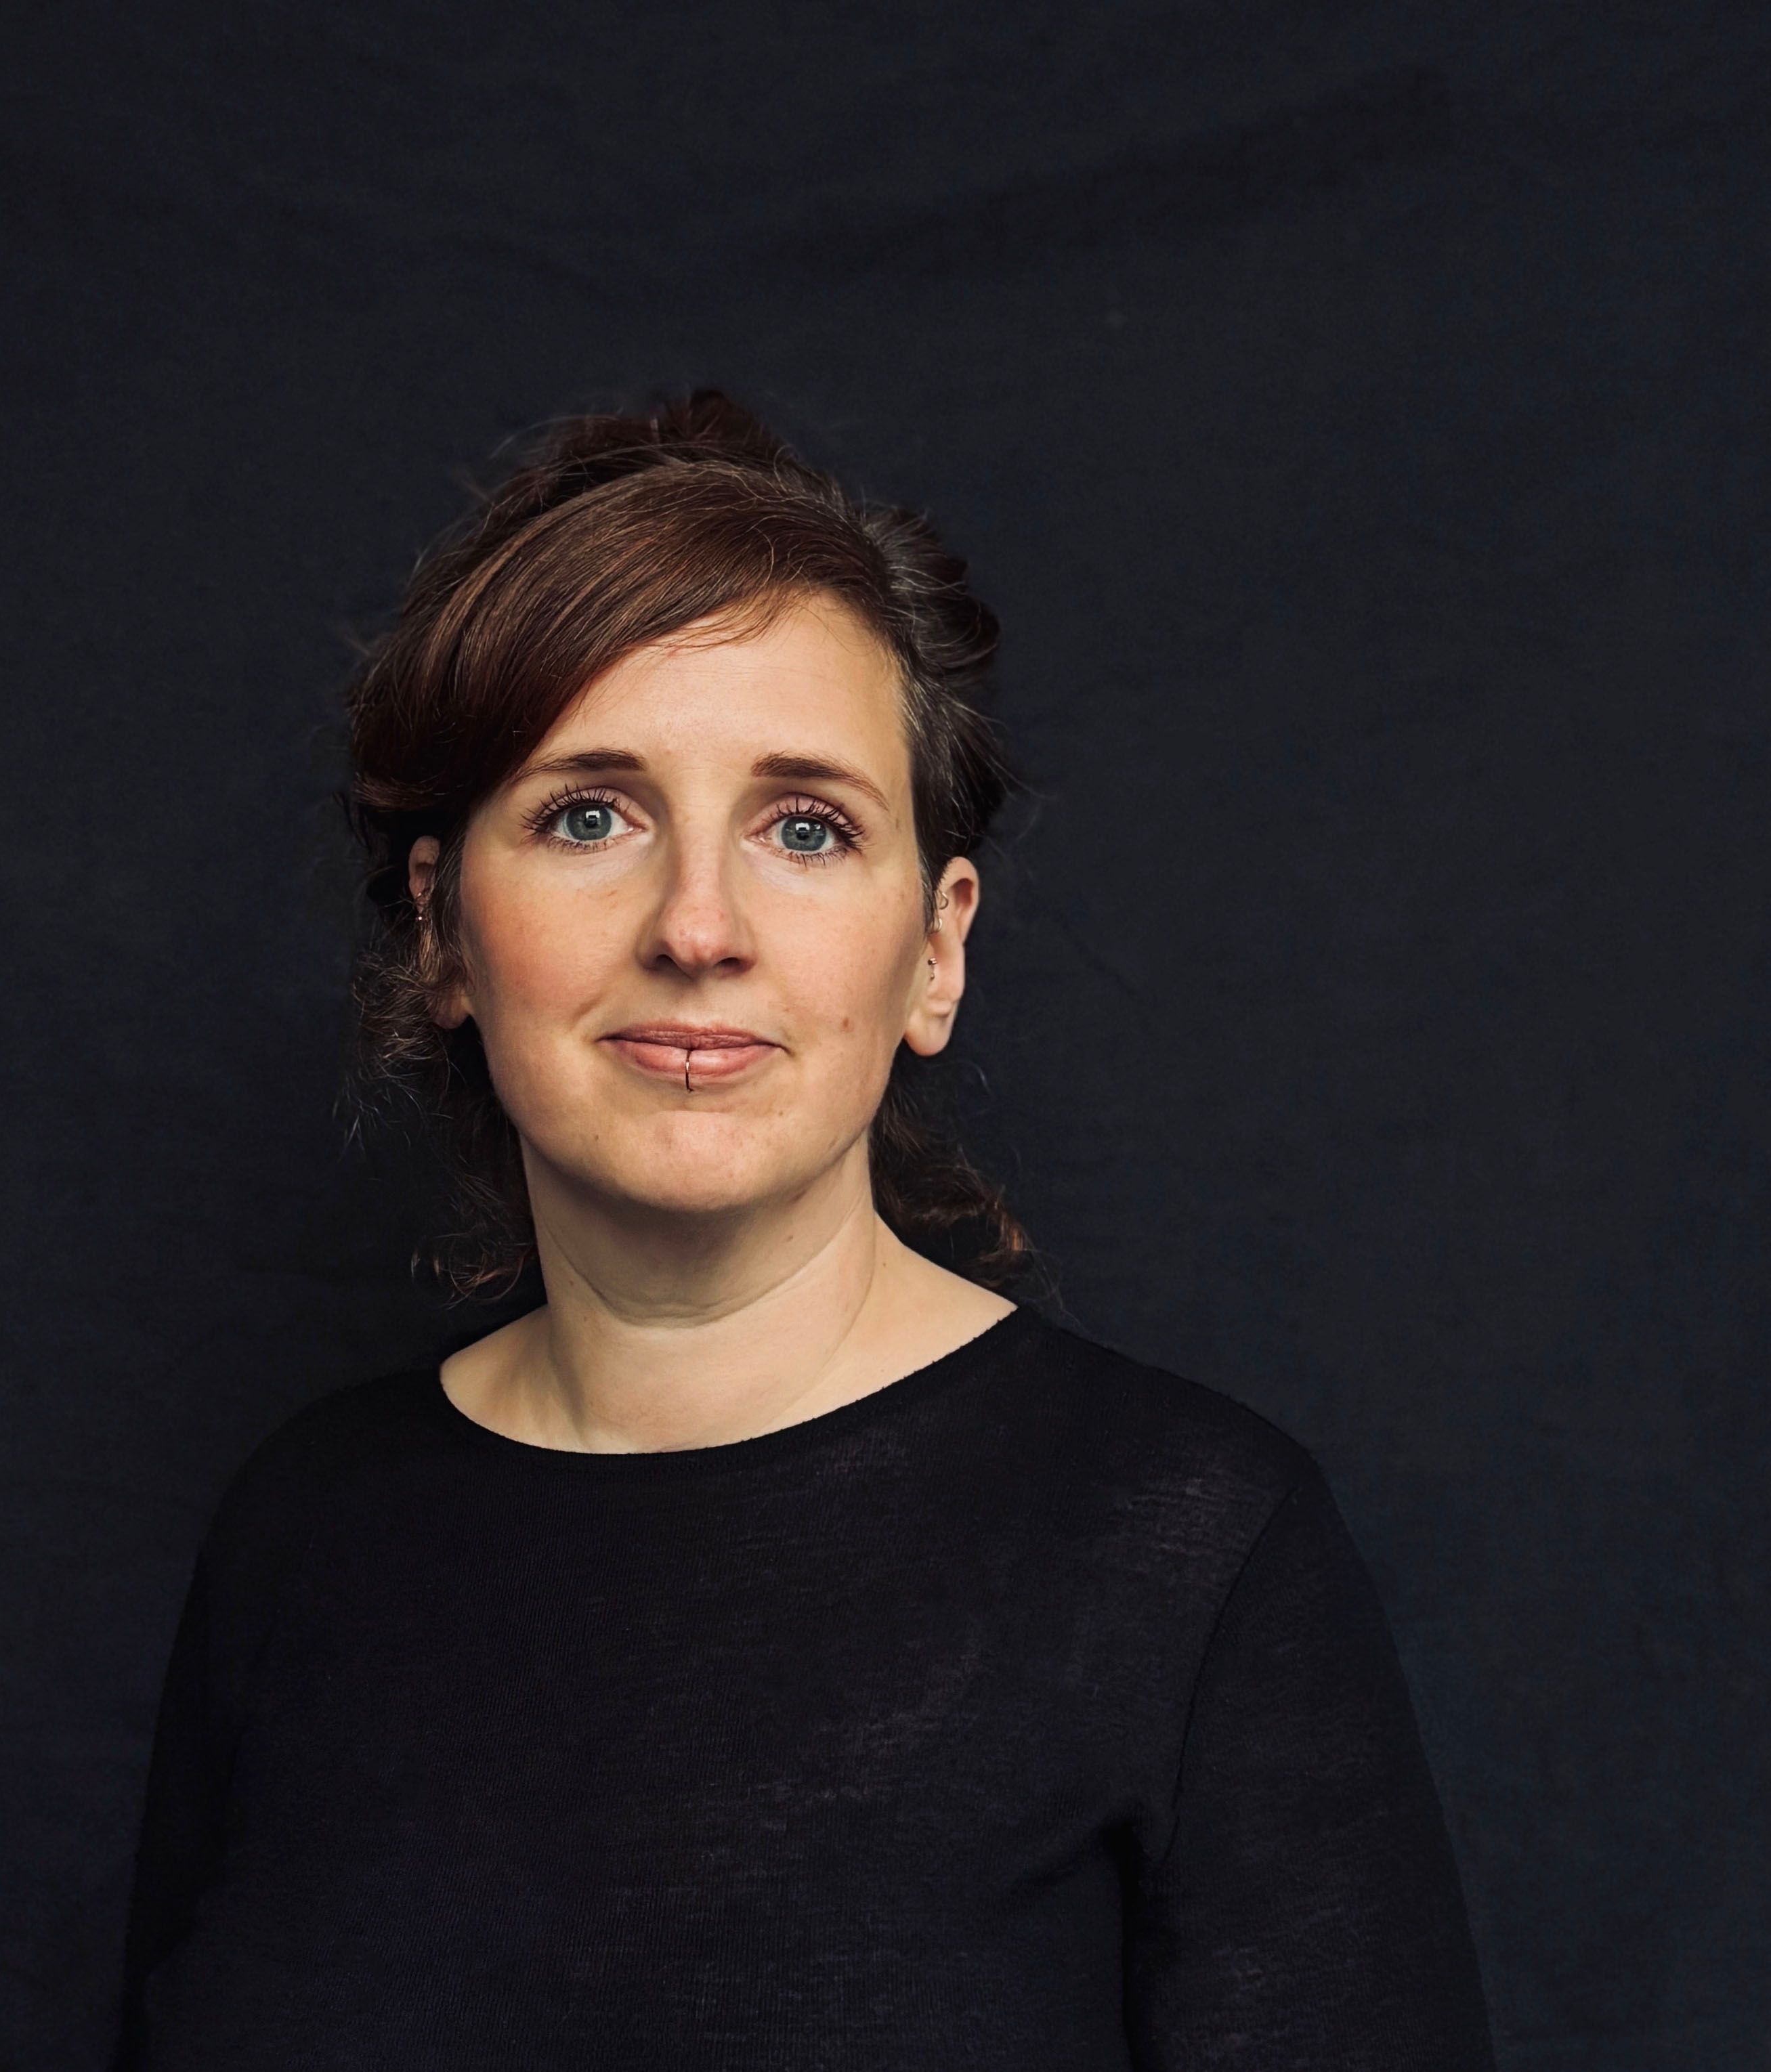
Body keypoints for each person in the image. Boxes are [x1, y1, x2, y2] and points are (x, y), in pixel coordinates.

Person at [111, 393, 1496, 2069]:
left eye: (805, 827)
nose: (698, 927)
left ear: (934, 951)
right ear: (442, 932)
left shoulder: (1189, 1554)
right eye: (588, 814)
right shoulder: (300, 1540)